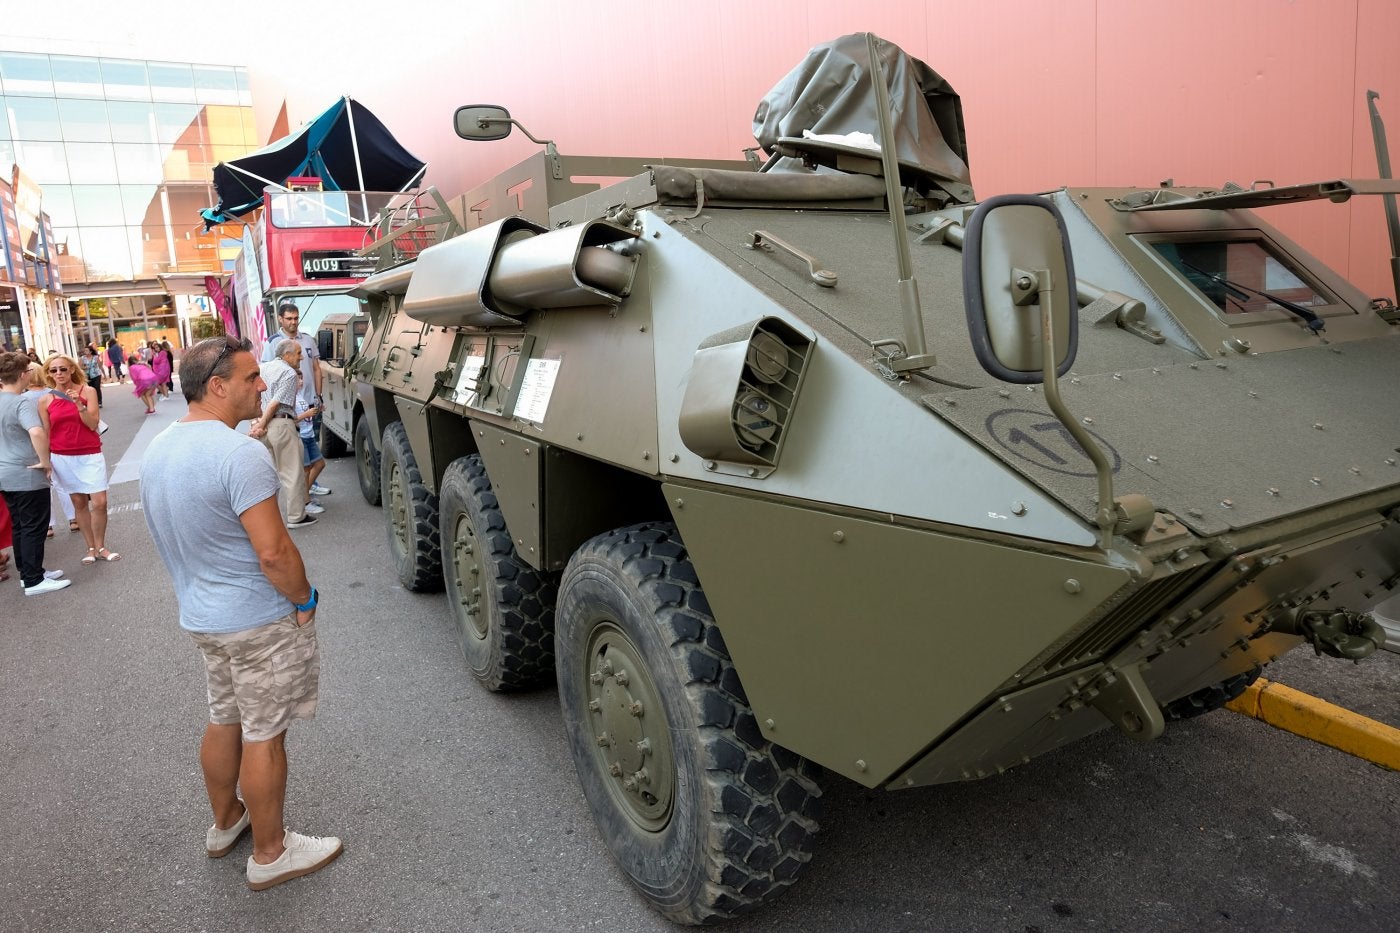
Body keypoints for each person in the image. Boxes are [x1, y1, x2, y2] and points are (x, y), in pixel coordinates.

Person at [141, 335, 341, 890]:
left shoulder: (159, 450)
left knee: (224, 715)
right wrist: (304, 600)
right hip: (256, 620)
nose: (263, 385)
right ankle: (272, 854)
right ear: (217, 386)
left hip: (203, 617)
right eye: (252, 377)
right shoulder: (240, 454)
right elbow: (275, 551)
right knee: (265, 732)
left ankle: (226, 822)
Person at [0, 351, 70, 595]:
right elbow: (37, 432)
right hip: (25, 472)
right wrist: (45, 462)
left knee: (20, 525)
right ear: (22, 375)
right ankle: (33, 580)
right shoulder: (21, 402)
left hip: (5, 473)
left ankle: (29, 572)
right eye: (29, 371)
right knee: (33, 526)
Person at [40, 354, 118, 563]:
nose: (59, 373)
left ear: (72, 369)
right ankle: (91, 548)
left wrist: (78, 404)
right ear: (48, 373)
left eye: (63, 369)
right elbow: (46, 433)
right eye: (54, 370)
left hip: (90, 453)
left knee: (100, 502)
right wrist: (46, 463)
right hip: (62, 457)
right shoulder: (45, 399)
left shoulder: (88, 391)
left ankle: (101, 546)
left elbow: (92, 424)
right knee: (79, 502)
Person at [252, 340, 315, 528]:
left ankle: (270, 518)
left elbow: (257, 398)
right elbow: (275, 403)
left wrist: (257, 423)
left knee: (271, 475)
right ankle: (297, 516)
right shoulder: (288, 373)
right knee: (292, 472)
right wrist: (261, 424)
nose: (301, 357)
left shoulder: (263, 368)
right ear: (286, 355)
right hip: (280, 424)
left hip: (264, 428)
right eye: (298, 353)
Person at [26, 364, 77, 536]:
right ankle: (73, 518)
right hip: (56, 440)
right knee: (62, 483)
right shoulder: (52, 393)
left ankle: (48, 524)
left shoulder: (23, 397)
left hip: (33, 442)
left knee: (44, 485)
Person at [262, 297, 321, 414]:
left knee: (313, 433)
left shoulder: (309, 340)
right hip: (286, 406)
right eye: (289, 318)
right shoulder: (272, 342)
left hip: (310, 402)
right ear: (280, 319)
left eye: (296, 318)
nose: (293, 322)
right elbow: (265, 375)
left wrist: (319, 396)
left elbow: (316, 369)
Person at [293, 377, 326, 515]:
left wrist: (316, 410)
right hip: (301, 436)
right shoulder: (290, 398)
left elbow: (305, 415)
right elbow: (290, 419)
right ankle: (305, 502)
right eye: (297, 379)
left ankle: (306, 493)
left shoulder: (300, 395)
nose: (301, 381)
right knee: (305, 470)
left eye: (301, 378)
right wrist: (307, 413)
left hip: (309, 434)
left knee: (319, 464)